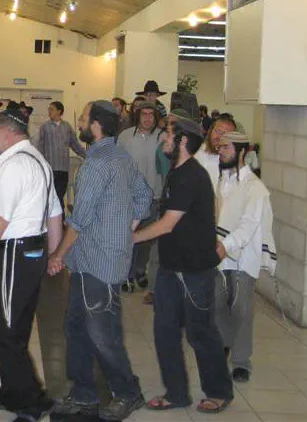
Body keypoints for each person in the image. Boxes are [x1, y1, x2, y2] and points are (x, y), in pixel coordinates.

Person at [48, 101, 151, 421]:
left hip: (100, 263)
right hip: (88, 259)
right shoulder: (120, 156)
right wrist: (126, 228)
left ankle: (128, 393)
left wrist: (57, 255)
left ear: (95, 125)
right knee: (76, 326)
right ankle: (83, 394)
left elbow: (79, 220)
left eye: (82, 118)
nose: (79, 122)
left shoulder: (98, 164)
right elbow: (144, 197)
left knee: (103, 333)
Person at [0, 109, 63, 422]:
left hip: (12, 254)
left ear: (8, 133)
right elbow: (55, 213)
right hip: (31, 252)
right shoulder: (39, 161)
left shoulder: (14, 166)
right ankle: (12, 393)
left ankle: (33, 401)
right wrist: (53, 253)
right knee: (15, 329)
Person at [132, 116, 234, 415]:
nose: (163, 139)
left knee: (200, 333)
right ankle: (176, 393)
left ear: (183, 141)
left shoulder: (191, 175)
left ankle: (219, 392)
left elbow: (167, 224)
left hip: (194, 271)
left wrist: (130, 239)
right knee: (164, 331)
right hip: (170, 268)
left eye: (168, 135)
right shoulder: (177, 173)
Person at [215, 131, 276, 384]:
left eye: (226, 148)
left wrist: (225, 245)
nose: (221, 151)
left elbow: (249, 224)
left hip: (243, 256)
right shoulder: (222, 180)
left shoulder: (256, 188)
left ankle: (241, 362)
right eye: (220, 147)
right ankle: (223, 344)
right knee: (218, 303)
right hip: (220, 255)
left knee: (241, 309)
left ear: (241, 152)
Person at [117, 101, 164, 293]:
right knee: (129, 237)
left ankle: (139, 270)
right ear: (138, 116)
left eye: (151, 115)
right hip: (130, 197)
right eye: (144, 114)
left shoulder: (162, 138)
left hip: (154, 196)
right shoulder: (125, 137)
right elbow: (117, 165)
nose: (147, 118)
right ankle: (126, 274)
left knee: (146, 239)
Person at [37, 100, 86, 212]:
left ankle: (59, 216)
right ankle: (60, 216)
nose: (49, 111)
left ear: (59, 111)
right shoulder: (45, 127)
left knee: (60, 194)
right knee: (54, 195)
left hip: (63, 168)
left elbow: (75, 144)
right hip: (50, 168)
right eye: (49, 109)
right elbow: (40, 146)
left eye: (52, 109)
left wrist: (88, 156)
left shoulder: (67, 127)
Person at [195, 114, 237, 192]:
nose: (219, 137)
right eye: (217, 131)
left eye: (225, 134)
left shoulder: (229, 165)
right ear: (210, 130)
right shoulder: (195, 153)